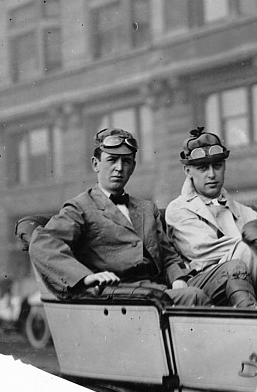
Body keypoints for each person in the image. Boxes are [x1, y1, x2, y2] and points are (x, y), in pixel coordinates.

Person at [29, 128, 208, 307]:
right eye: (112, 160)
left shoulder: (147, 209)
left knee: (206, 292)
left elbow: (168, 257)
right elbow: (43, 244)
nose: (120, 168)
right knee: (196, 297)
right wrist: (85, 277)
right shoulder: (80, 208)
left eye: (126, 161)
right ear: (95, 164)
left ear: (133, 167)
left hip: (158, 293)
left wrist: (178, 279)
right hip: (116, 298)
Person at [166, 127, 257, 278]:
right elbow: (202, 250)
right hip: (210, 286)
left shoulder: (248, 214)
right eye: (202, 168)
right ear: (187, 171)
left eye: (217, 166)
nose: (211, 174)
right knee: (253, 247)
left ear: (224, 167)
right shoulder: (178, 209)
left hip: (248, 281)